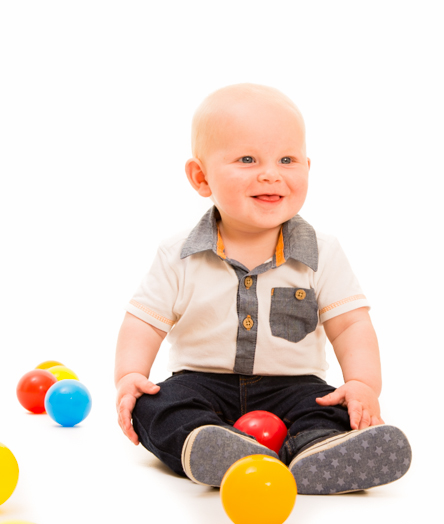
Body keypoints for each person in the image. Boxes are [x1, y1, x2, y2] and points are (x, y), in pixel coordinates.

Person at [114, 83, 411, 494]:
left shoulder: (321, 251)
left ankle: (318, 448)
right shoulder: (178, 253)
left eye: (287, 159)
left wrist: (362, 384)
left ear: (308, 166)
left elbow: (350, 326)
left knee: (328, 407)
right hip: (200, 383)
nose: (271, 173)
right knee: (154, 403)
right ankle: (213, 446)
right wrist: (130, 375)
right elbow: (144, 323)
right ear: (201, 177)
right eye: (248, 159)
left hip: (294, 386)